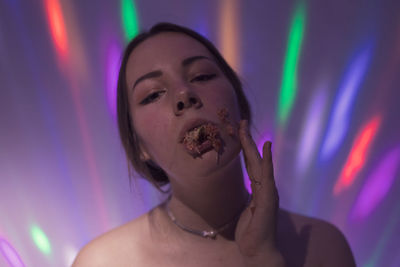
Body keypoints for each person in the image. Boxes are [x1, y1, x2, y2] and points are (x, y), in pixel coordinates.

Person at [72, 22, 356, 267]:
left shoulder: (320, 248)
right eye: (152, 95)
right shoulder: (103, 261)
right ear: (139, 147)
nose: (184, 94)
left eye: (202, 76)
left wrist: (264, 258)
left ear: (239, 106)